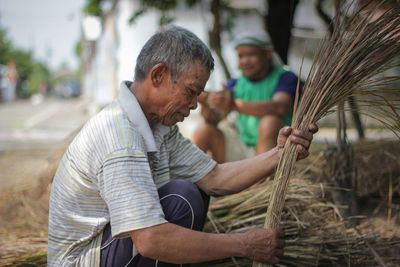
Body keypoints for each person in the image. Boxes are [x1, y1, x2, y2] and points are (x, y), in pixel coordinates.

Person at [47, 25, 317, 267]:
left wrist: (279, 154)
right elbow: (150, 239)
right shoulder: (121, 136)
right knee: (182, 198)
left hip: (111, 250)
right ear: (159, 75)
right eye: (190, 92)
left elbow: (215, 177)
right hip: (83, 261)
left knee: (193, 191)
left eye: (199, 95)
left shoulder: (159, 127)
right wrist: (244, 245)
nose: (194, 105)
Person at [193, 31, 299, 163]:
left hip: (275, 153)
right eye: (240, 56)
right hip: (242, 149)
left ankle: (261, 183)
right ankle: (190, 181)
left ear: (267, 54)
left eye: (251, 54)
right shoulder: (236, 83)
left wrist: (232, 105)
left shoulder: (285, 77)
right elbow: (214, 119)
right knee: (204, 129)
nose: (244, 61)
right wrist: (208, 103)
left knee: (269, 122)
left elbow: (280, 107)